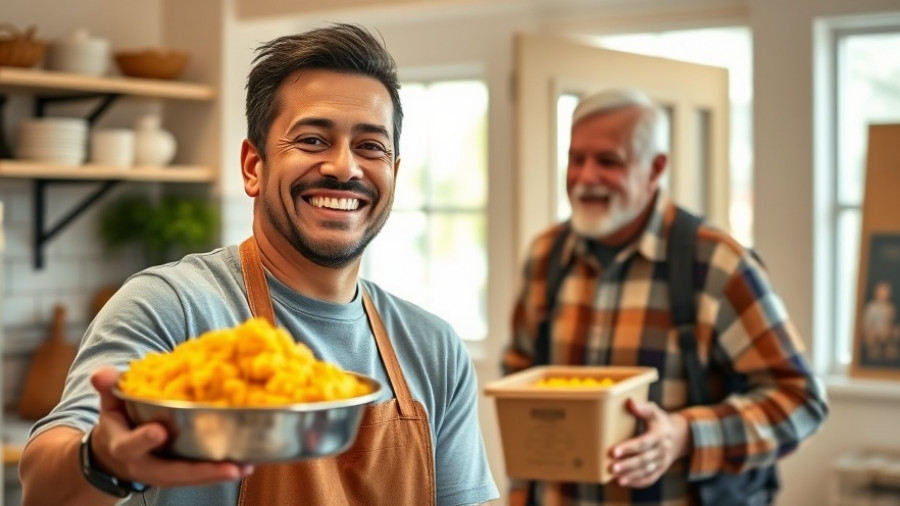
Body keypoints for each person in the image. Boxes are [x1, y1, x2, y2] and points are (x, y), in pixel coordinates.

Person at [19, 23, 499, 506]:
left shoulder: (433, 349)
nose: (344, 167)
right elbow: (43, 487)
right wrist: (103, 462)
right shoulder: (171, 308)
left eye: (371, 146)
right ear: (253, 166)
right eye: (312, 140)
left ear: (393, 172)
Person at [502, 88, 828, 505]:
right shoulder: (545, 256)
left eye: (607, 161)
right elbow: (518, 382)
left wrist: (685, 434)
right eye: (576, 158)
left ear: (656, 169)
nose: (585, 178)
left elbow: (801, 400)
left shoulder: (716, 264)